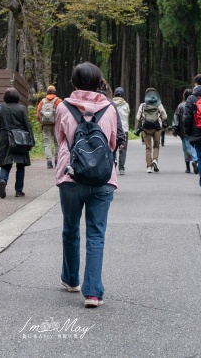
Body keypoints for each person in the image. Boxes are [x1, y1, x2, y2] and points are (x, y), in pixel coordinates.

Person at [54, 61, 119, 308]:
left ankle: (71, 279)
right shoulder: (109, 108)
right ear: (100, 82)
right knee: (96, 233)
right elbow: (112, 143)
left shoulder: (63, 106)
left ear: (74, 82)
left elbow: (61, 139)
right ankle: (93, 292)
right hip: (102, 178)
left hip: (71, 176)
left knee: (70, 228)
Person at [0, 87, 33, 198]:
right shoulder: (21, 108)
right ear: (17, 97)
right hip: (19, 138)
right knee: (21, 165)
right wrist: (31, 139)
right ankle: (19, 191)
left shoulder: (1, 109)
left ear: (5, 97)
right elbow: (27, 125)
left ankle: (3, 180)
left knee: (6, 164)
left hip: (5, 138)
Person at [135, 87, 167, 173]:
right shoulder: (159, 104)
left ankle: (149, 167)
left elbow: (138, 117)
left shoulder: (143, 105)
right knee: (156, 146)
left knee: (148, 148)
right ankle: (155, 160)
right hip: (157, 128)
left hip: (146, 128)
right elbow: (165, 116)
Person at [171, 87, 199, 174]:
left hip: (184, 131)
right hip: (195, 130)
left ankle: (189, 166)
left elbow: (176, 117)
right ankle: (195, 161)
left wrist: (175, 128)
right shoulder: (196, 104)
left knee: (186, 148)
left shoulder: (180, 105)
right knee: (194, 147)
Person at [36, 85, 63, 169]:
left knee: (47, 144)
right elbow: (62, 113)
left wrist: (42, 122)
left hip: (45, 126)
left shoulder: (42, 102)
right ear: (55, 91)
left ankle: (49, 162)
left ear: (47, 92)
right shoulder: (58, 101)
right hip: (56, 125)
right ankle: (57, 161)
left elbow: (38, 115)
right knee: (57, 143)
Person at [110, 87, 130, 175]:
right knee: (123, 149)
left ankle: (113, 165)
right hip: (124, 129)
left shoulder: (110, 104)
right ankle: (121, 169)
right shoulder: (126, 105)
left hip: (113, 129)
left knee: (112, 148)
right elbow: (128, 115)